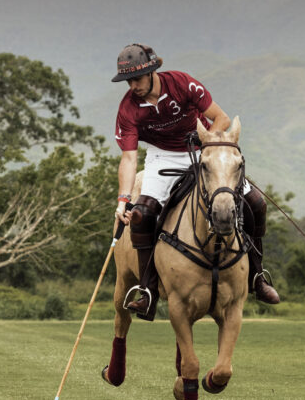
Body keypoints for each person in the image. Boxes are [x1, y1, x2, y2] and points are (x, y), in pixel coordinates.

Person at [112, 43, 279, 321]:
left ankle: (257, 276)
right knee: (141, 216)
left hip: (203, 149)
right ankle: (149, 290)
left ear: (153, 72)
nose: (133, 85)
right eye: (128, 80)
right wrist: (123, 199)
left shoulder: (182, 83)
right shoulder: (128, 108)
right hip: (162, 158)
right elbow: (129, 159)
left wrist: (208, 144)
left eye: (137, 78)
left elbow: (221, 118)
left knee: (256, 203)